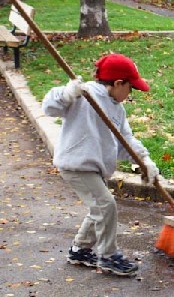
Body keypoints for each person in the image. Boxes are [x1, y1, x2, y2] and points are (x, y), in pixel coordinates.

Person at [42, 53, 160, 276]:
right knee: (106, 205)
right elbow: (49, 106)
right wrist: (67, 94)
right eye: (130, 88)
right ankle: (108, 256)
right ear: (118, 83)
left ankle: (80, 250)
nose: (130, 93)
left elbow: (125, 140)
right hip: (76, 164)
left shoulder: (117, 107)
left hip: (94, 167)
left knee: (99, 207)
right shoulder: (83, 94)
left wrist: (144, 160)